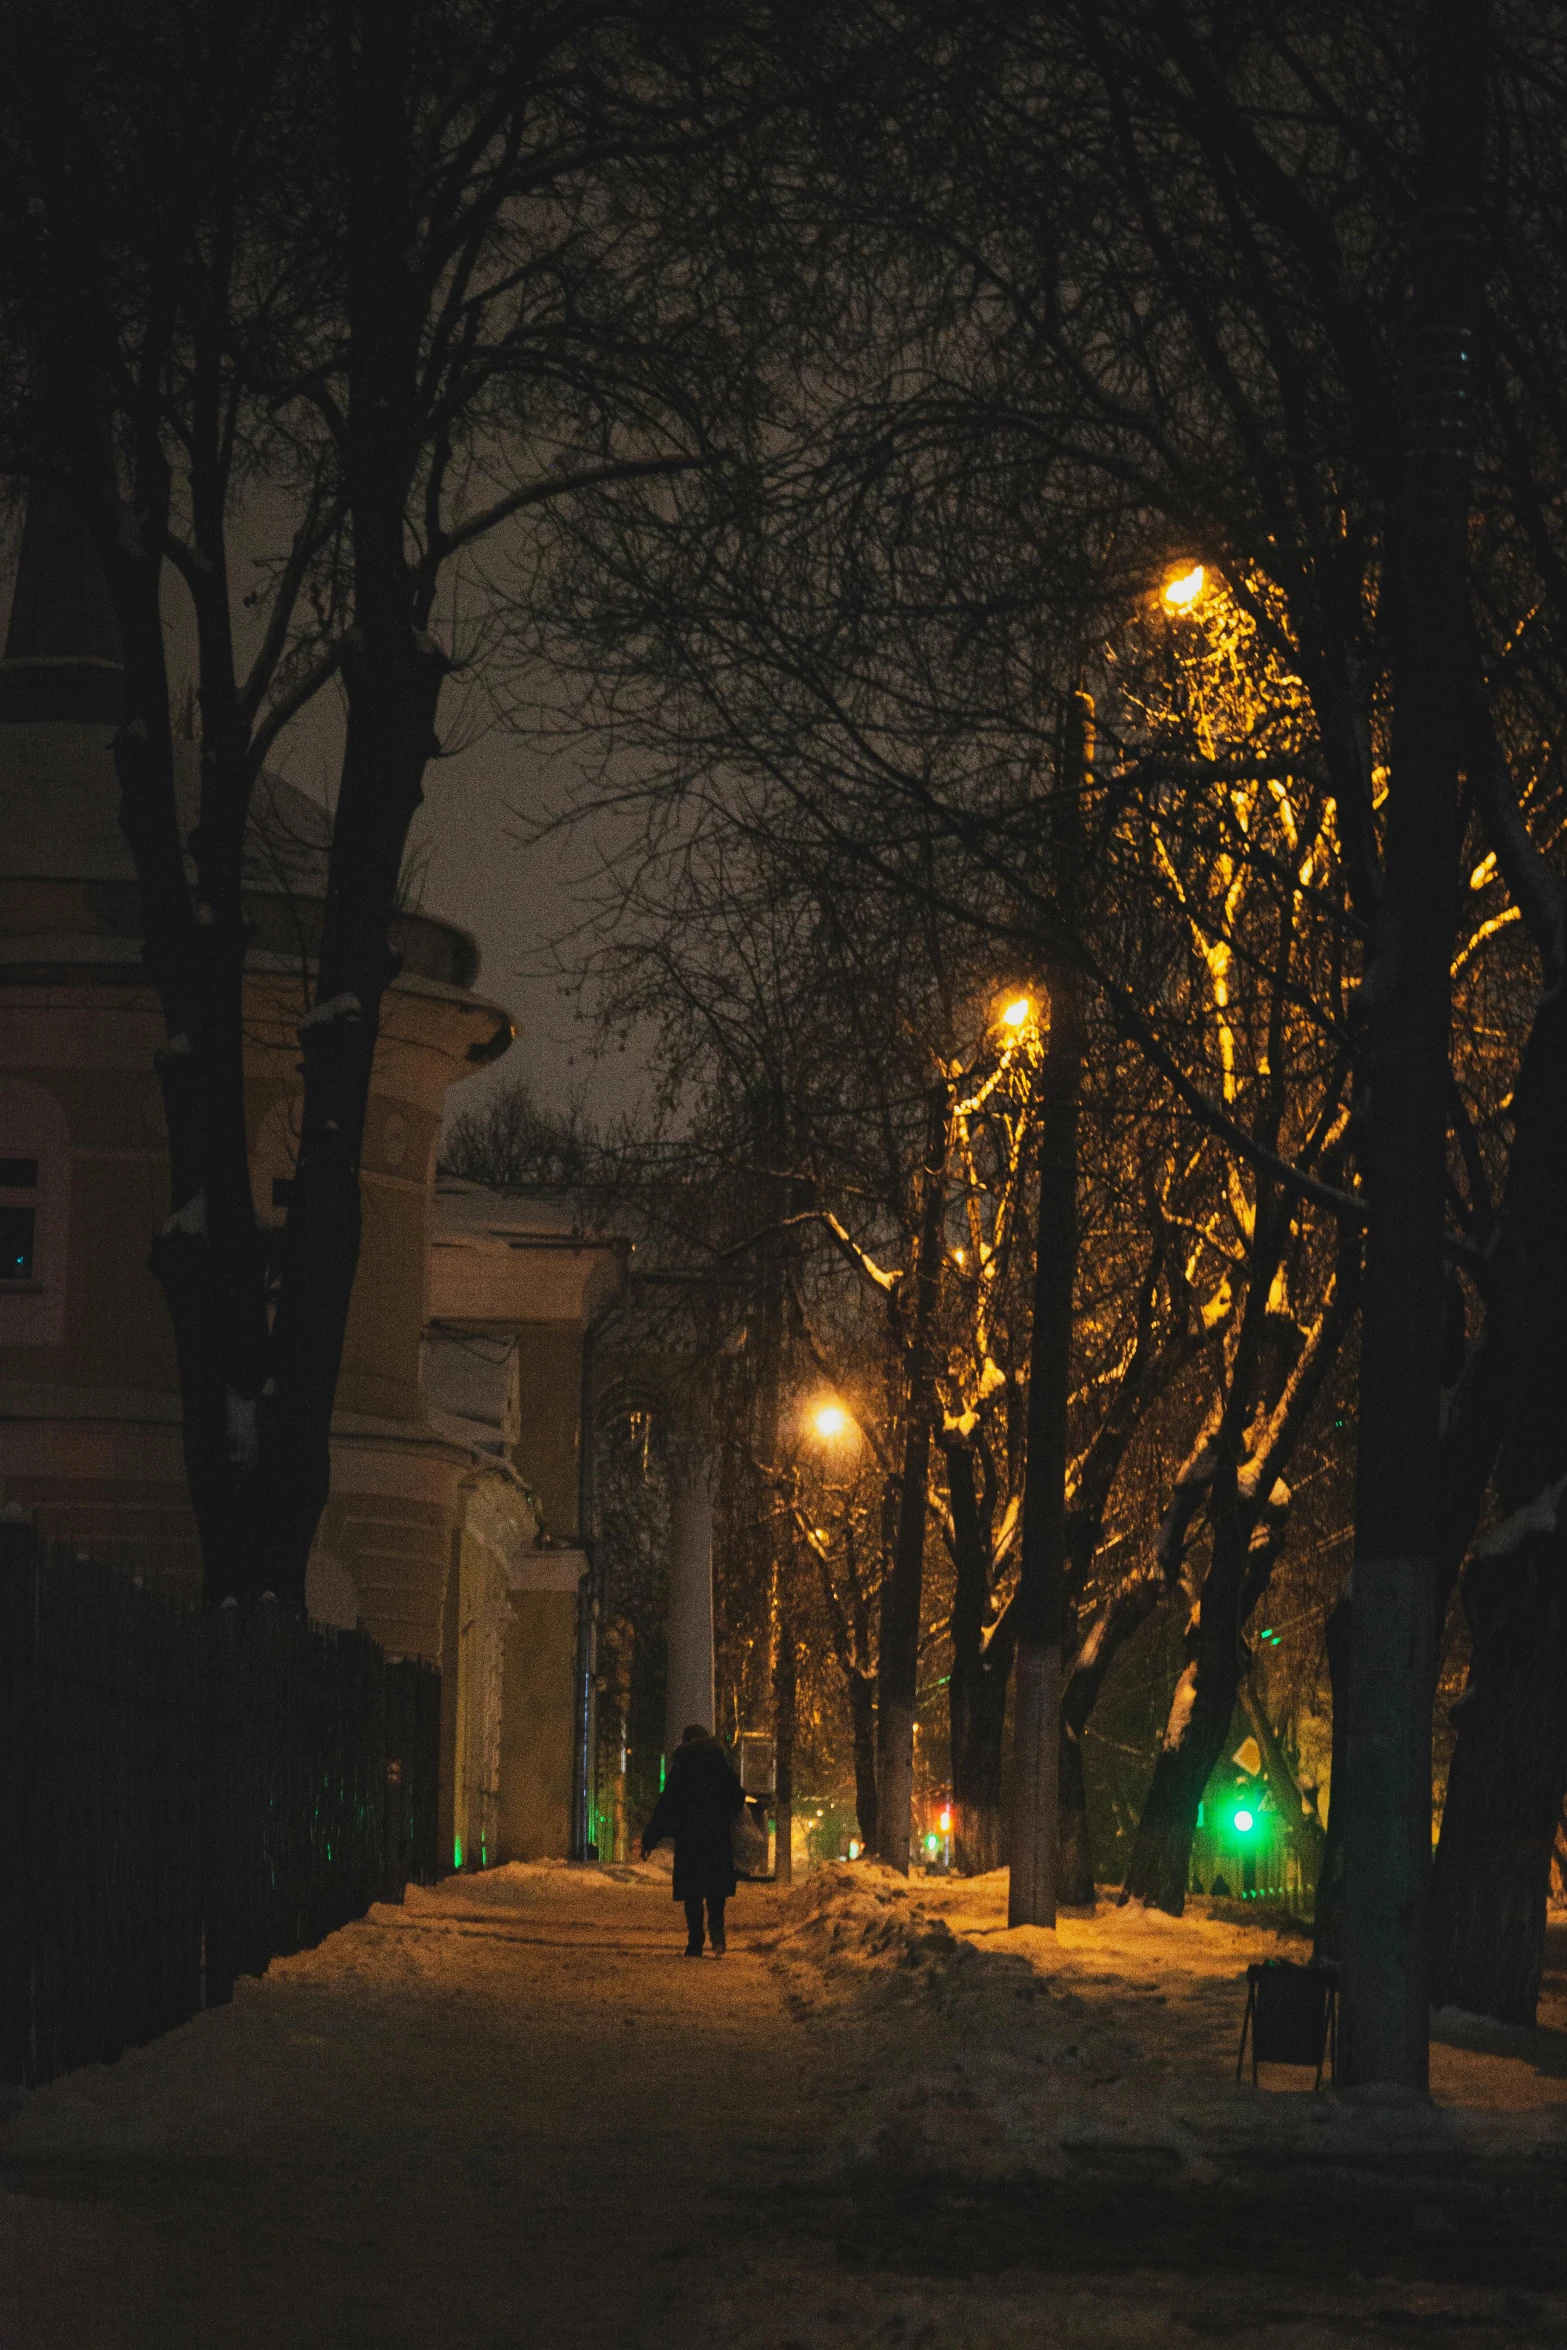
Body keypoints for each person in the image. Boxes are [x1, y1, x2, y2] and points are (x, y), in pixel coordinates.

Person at [640, 1723, 745, 1955]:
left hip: (691, 1839)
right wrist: (723, 1814)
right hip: (716, 1837)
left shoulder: (683, 1767)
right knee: (715, 1890)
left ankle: (695, 1941)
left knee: (693, 1892)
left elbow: (666, 1806)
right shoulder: (720, 1765)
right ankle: (717, 1935)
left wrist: (649, 1840)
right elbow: (736, 1798)